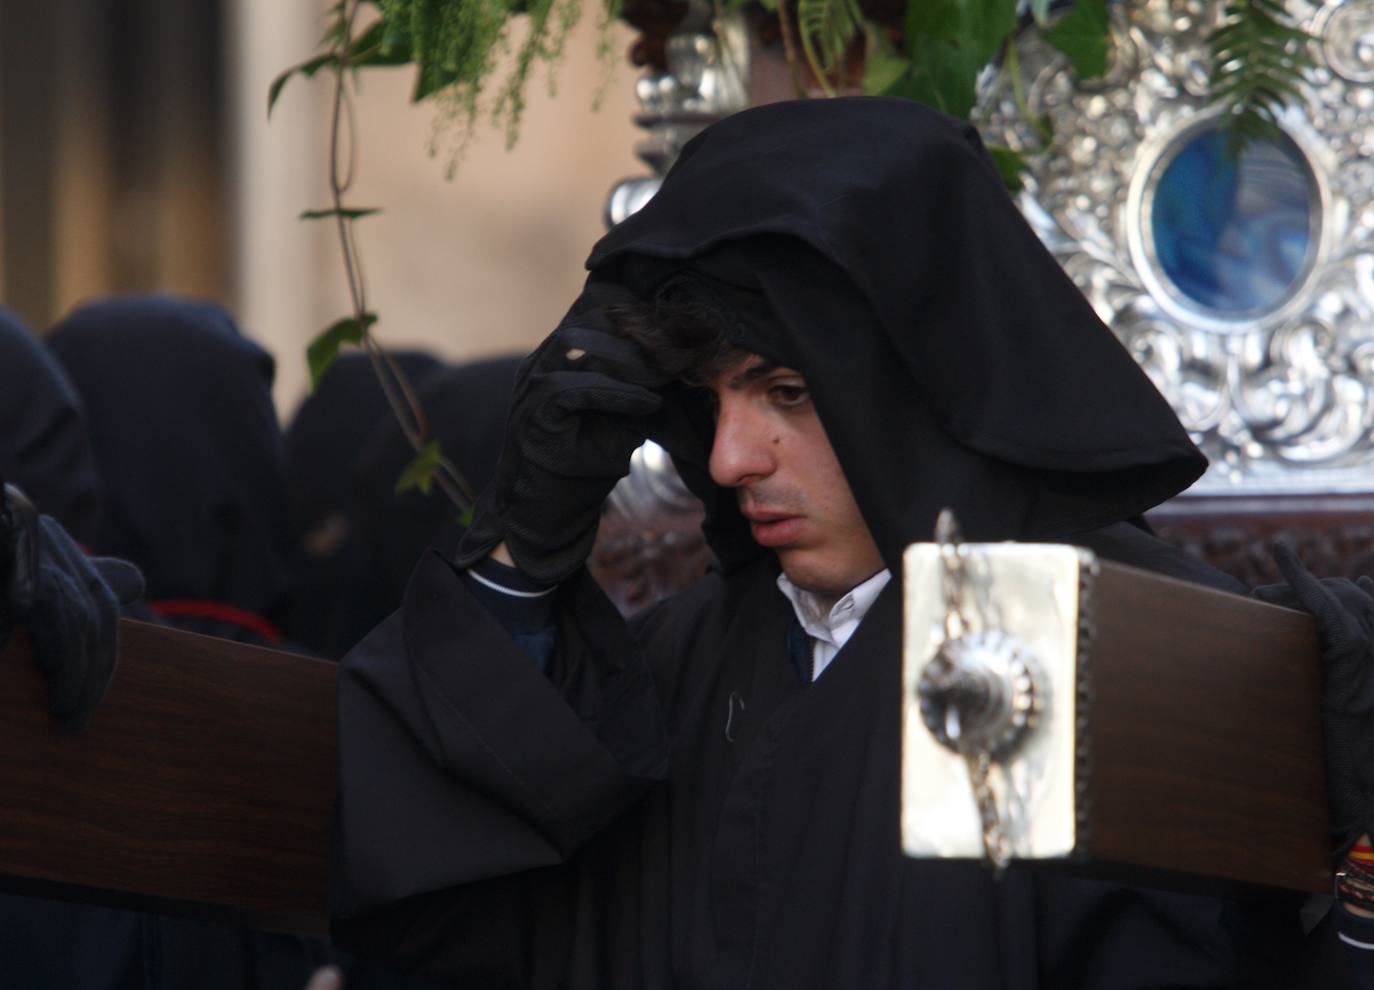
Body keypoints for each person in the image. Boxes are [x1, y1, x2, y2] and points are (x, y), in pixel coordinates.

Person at [330, 97, 1374, 987]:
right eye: (710, 399)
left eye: (788, 392)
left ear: (923, 386)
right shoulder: (674, 668)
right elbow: (435, 936)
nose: (732, 456)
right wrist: (519, 567)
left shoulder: (1113, 659)